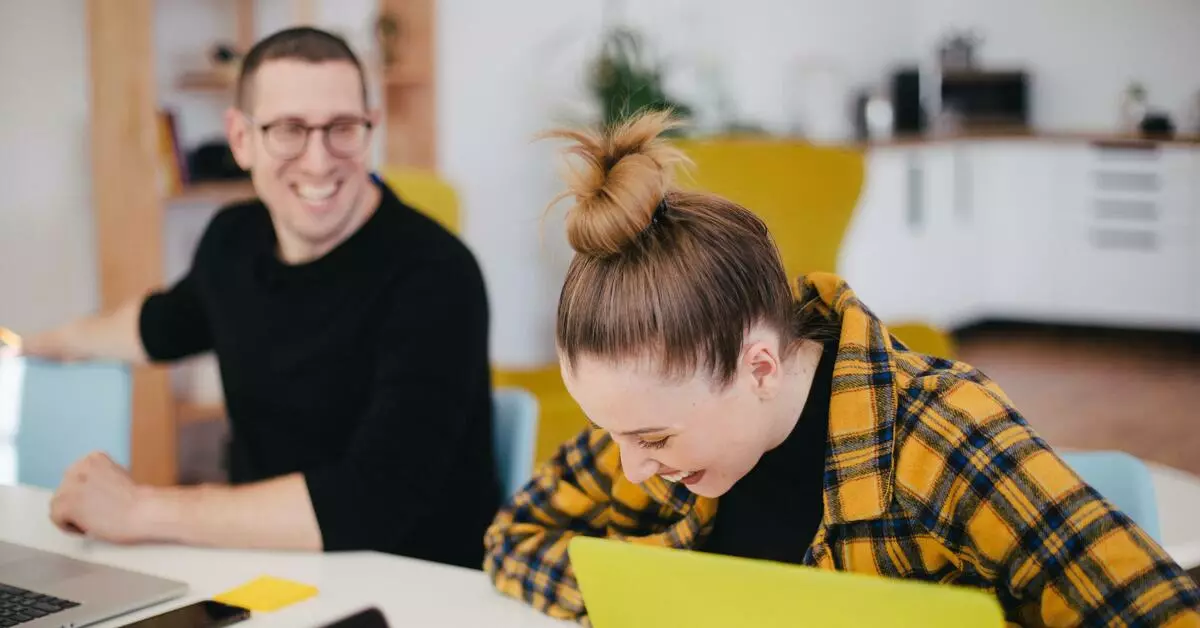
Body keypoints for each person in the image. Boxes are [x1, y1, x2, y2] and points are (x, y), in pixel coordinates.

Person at [482, 110, 1200, 625]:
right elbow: (513, 539)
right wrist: (637, 601)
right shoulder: (655, 432)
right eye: (614, 434)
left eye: (654, 440)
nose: (632, 467)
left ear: (759, 366)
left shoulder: (941, 435)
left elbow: (1158, 611)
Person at [17, 26, 500, 570]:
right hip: (263, 569)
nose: (318, 161)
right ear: (242, 139)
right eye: (289, 130)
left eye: (342, 128)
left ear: (371, 129)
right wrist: (30, 343)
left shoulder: (437, 275)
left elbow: (373, 498)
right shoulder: (233, 240)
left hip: (417, 586)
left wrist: (141, 509)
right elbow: (160, 325)